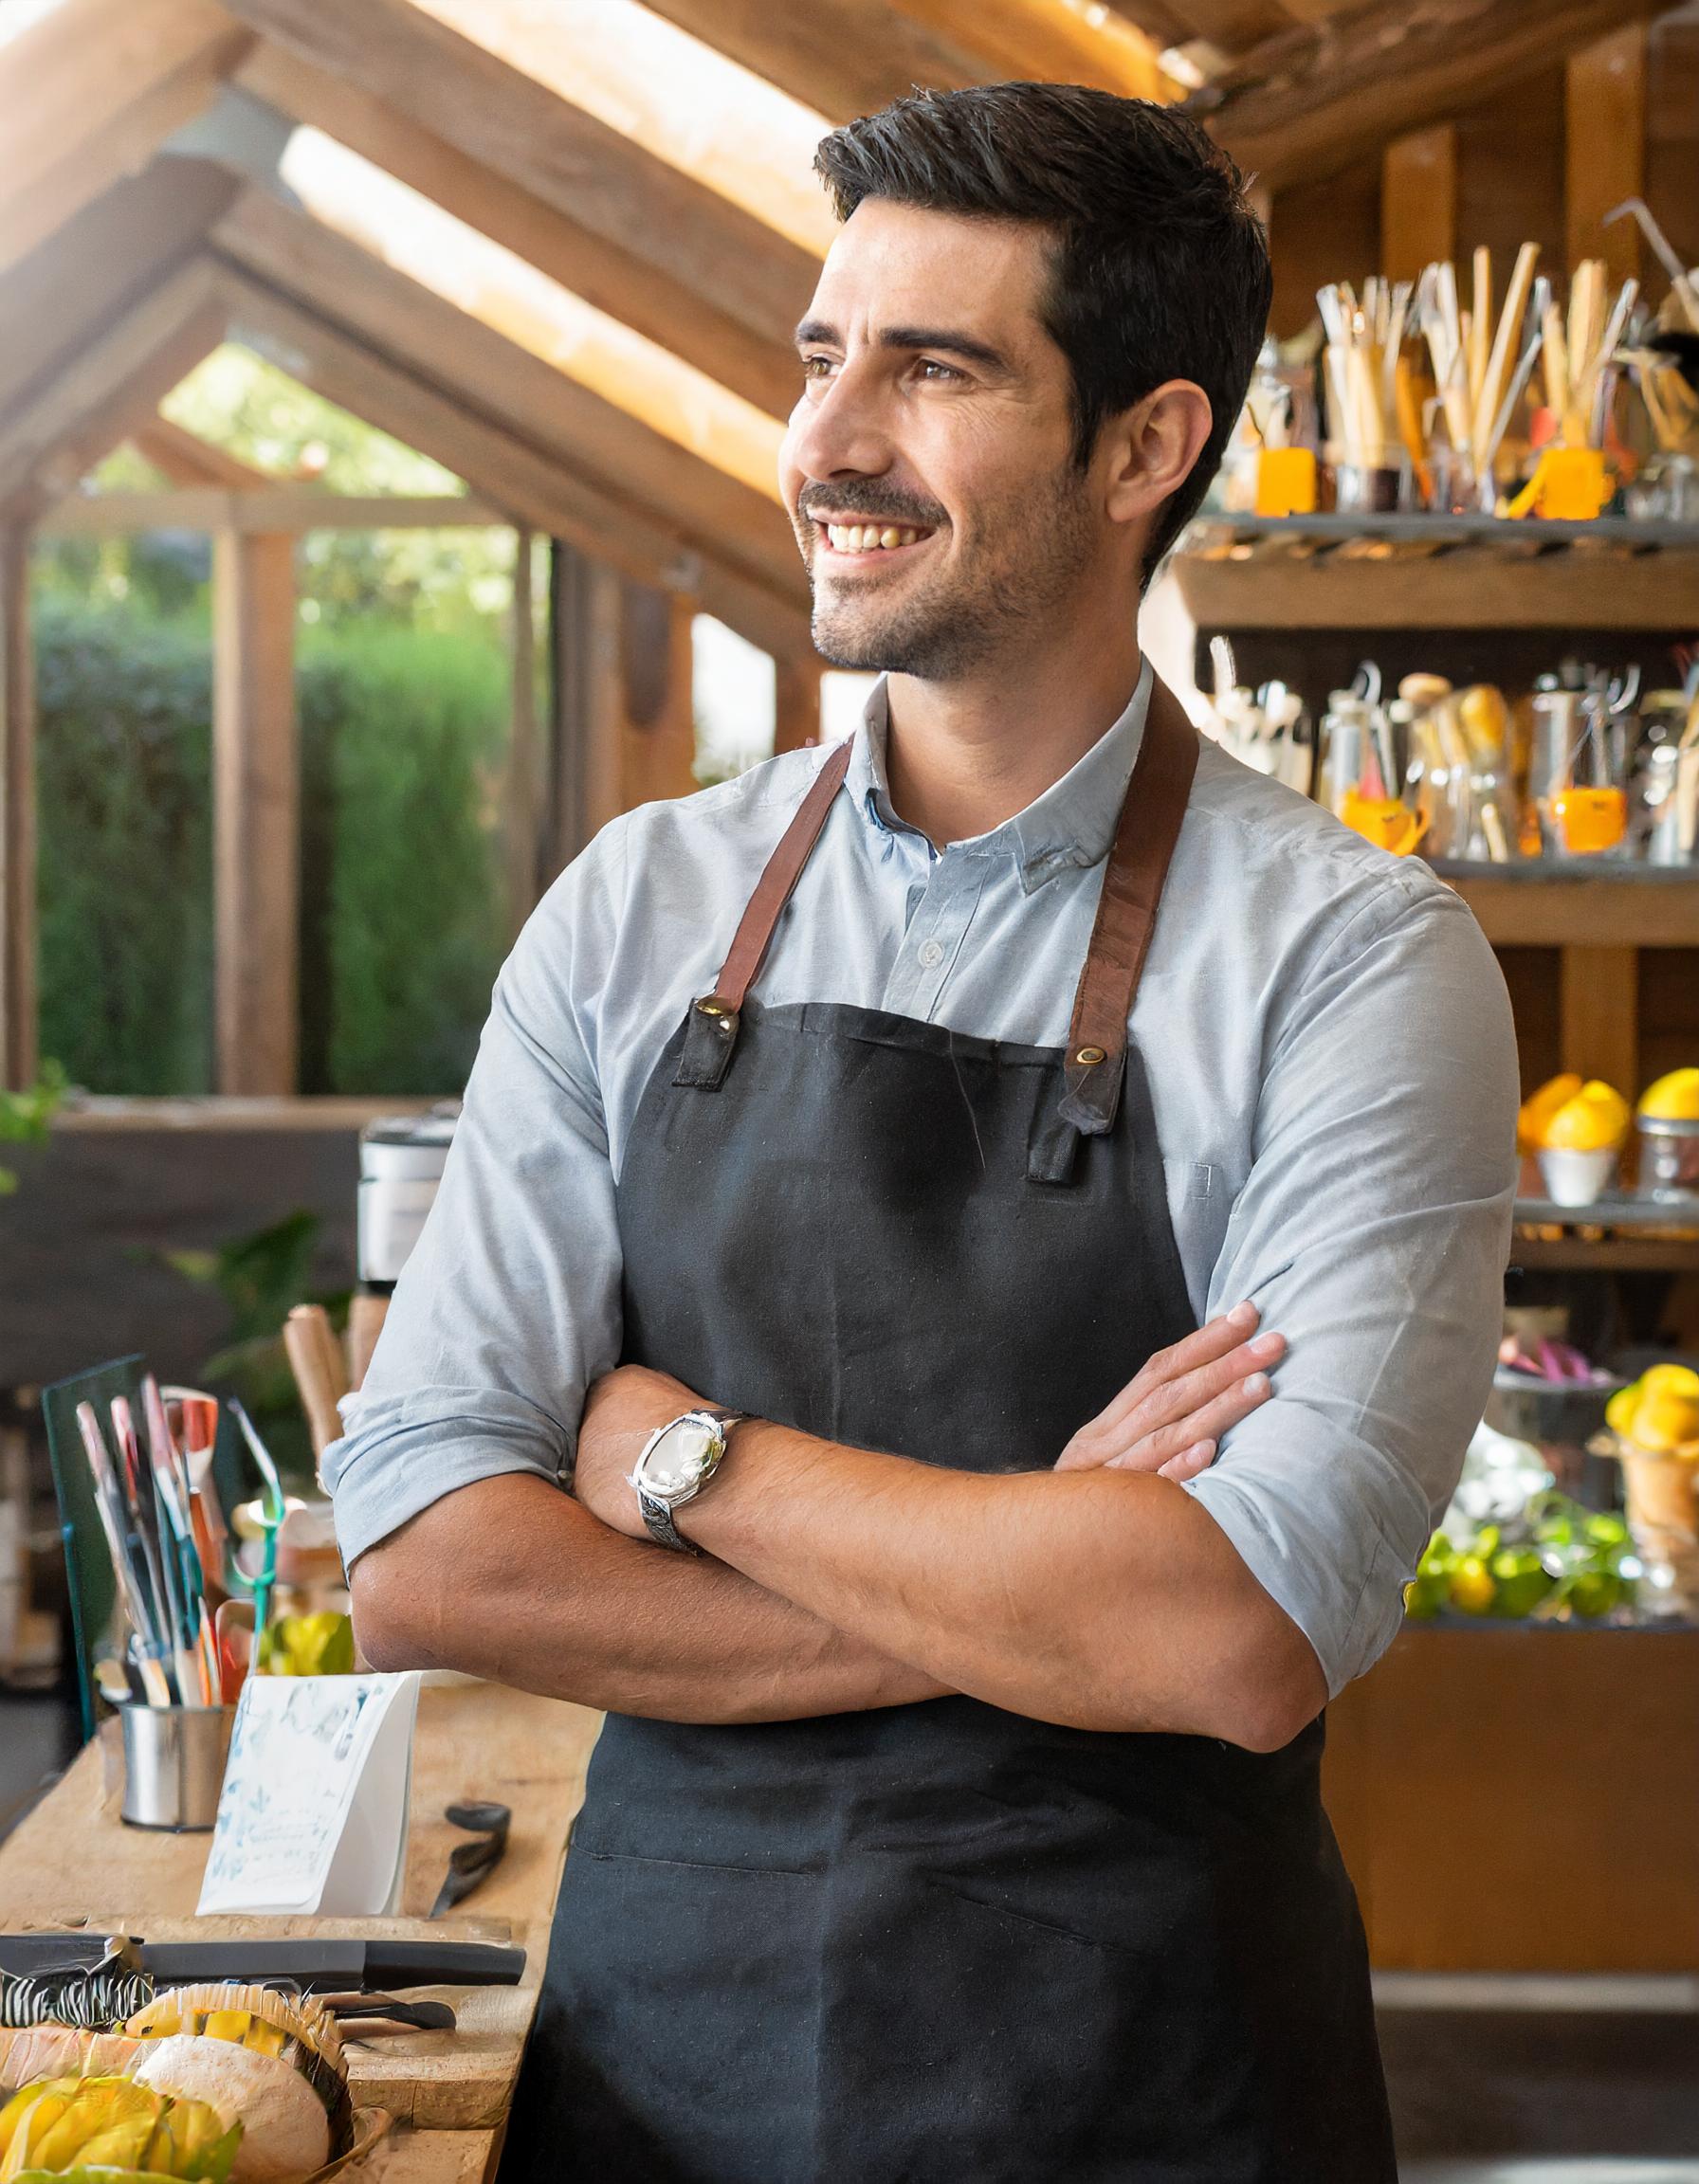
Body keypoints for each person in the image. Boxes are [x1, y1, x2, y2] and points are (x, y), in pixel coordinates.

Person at [326, 84, 1518, 2182]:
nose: (828, 442)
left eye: (931, 367)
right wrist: (1032, 1564)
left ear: (1143, 446)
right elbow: (423, 1559)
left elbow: (1223, 1639)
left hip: (1144, 2087)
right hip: (649, 2076)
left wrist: (675, 1459)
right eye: (819, 355)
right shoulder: (636, 908)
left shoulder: (1353, 963)